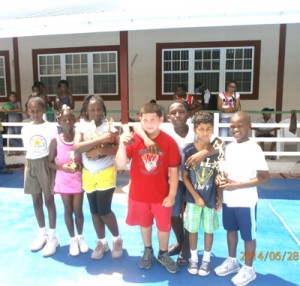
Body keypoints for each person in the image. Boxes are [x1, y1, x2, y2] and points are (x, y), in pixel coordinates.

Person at [116, 102, 181, 274]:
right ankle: (148, 250)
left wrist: (172, 194)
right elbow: (120, 164)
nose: (149, 123)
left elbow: (174, 171)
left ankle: (163, 253)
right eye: (145, 120)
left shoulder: (169, 142)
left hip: (161, 196)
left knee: (164, 226)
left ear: (161, 119)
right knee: (144, 224)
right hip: (138, 195)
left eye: (153, 119)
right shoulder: (134, 139)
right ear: (140, 120)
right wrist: (122, 144)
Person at [214, 111, 269, 286]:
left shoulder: (255, 148)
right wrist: (221, 181)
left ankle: (249, 268)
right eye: (232, 126)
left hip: (246, 200)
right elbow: (226, 173)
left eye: (240, 125)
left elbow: (264, 177)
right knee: (230, 230)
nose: (235, 129)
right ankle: (232, 261)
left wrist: (235, 185)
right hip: (230, 199)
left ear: (249, 126)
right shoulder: (229, 147)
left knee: (248, 236)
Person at [73, 95, 123, 260]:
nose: (96, 112)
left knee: (104, 210)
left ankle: (117, 239)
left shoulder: (110, 127)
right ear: (86, 110)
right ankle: (102, 242)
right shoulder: (82, 127)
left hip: (105, 172)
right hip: (88, 173)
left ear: (103, 110)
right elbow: (77, 148)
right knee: (94, 211)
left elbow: (119, 149)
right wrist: (100, 141)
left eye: (99, 108)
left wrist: (100, 151)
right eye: (92, 109)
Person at [182, 112, 222, 276]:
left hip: (211, 199)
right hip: (193, 199)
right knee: (192, 230)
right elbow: (184, 176)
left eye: (208, 129)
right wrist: (196, 196)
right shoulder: (189, 149)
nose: (205, 133)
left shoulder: (217, 148)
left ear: (213, 129)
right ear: (195, 129)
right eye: (201, 129)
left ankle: (206, 259)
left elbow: (220, 174)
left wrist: (220, 196)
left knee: (208, 230)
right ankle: (193, 257)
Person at [48, 106, 89, 256]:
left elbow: (87, 159)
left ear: (75, 120)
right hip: (64, 179)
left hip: (78, 179)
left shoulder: (80, 139)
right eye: (64, 119)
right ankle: (72, 239)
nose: (68, 121)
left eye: (71, 118)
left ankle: (80, 237)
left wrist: (80, 166)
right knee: (68, 210)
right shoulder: (56, 140)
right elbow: (50, 162)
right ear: (59, 121)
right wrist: (62, 167)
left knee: (78, 210)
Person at [21, 97, 59, 257]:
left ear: (44, 111)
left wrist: (54, 169)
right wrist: (28, 166)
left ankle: (52, 236)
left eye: (38, 110)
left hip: (46, 164)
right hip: (31, 164)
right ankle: (42, 233)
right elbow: (28, 149)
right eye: (32, 111)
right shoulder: (25, 128)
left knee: (49, 200)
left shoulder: (51, 127)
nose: (35, 114)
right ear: (28, 111)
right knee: (36, 201)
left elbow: (54, 149)